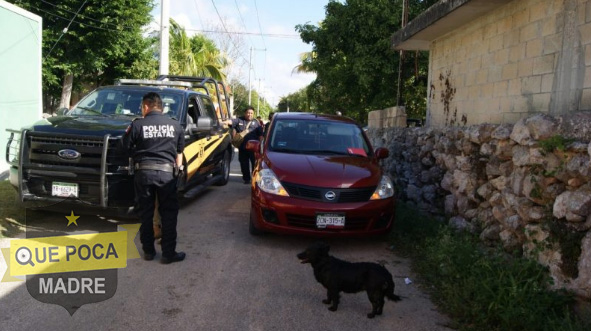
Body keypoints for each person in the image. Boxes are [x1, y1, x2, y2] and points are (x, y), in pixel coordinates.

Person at [123, 92, 186, 264]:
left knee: (146, 213)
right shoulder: (175, 125)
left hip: (143, 174)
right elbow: (179, 152)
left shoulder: (137, 125)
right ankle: (168, 254)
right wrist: (178, 172)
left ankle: (148, 252)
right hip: (167, 175)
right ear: (162, 107)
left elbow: (125, 147)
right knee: (169, 213)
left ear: (145, 106)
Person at [225, 106, 263, 184]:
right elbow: (230, 122)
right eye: (248, 113)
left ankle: (254, 179)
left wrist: (261, 147)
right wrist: (224, 122)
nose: (249, 114)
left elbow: (261, 136)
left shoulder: (256, 123)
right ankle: (246, 179)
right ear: (245, 113)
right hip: (242, 148)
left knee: (254, 164)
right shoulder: (239, 120)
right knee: (243, 164)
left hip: (253, 149)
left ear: (253, 114)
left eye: (251, 113)